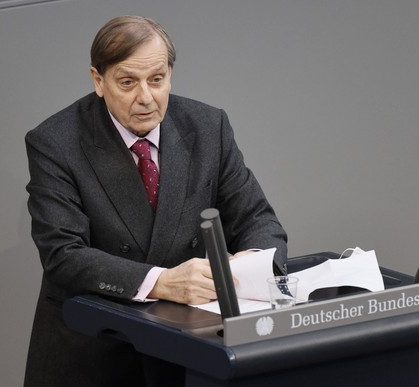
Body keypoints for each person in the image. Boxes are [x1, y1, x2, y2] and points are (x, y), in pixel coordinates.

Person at [24, 15, 288, 387]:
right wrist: (162, 282)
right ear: (98, 81)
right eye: (128, 83)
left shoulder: (208, 126)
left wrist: (254, 264)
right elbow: (63, 255)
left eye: (157, 80)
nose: (146, 98)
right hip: (96, 353)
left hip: (190, 350)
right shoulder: (56, 142)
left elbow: (259, 220)